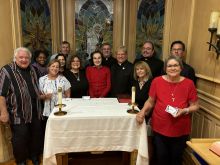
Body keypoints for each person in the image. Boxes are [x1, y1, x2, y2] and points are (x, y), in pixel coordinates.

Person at [136, 55, 199, 165]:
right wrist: (142, 112)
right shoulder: (157, 81)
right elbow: (150, 101)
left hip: (180, 128)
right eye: (169, 66)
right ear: (165, 68)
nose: (173, 68)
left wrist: (185, 110)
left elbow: (195, 105)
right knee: (161, 157)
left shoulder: (189, 83)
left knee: (176, 158)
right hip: (160, 127)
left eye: (176, 65)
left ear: (181, 67)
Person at [0, 47, 44, 165]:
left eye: (26, 58)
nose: (24, 60)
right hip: (18, 112)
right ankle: (21, 161)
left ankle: (34, 156)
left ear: (30, 59)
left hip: (36, 110)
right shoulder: (6, 70)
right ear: (15, 58)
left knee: (36, 135)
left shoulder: (34, 69)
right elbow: (1, 94)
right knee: (20, 138)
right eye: (21, 57)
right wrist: (3, 112)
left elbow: (37, 87)